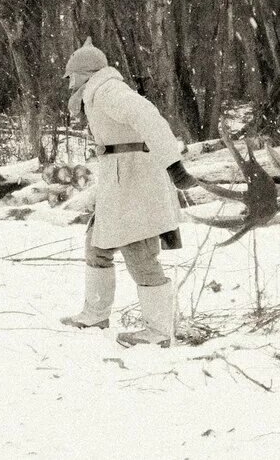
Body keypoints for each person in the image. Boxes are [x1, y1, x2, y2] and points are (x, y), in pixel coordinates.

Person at [59, 39, 198, 347]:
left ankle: (160, 331)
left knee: (139, 254)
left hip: (134, 182)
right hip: (120, 180)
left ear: (87, 72)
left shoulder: (109, 91)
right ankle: (95, 314)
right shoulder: (98, 91)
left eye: (72, 75)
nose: (69, 82)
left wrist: (174, 165)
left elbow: (149, 117)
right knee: (97, 246)